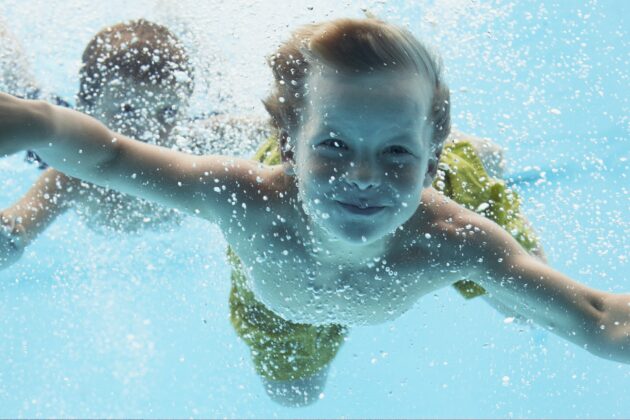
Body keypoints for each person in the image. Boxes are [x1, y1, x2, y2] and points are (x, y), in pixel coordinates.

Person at [0, 17, 628, 407]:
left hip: (442, 199)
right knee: (293, 397)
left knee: (528, 308)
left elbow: (597, 314)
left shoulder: (457, 238)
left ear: (429, 155)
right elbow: (106, 156)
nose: (363, 178)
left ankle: (464, 157)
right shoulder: (247, 199)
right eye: (332, 147)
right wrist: (31, 119)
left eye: (397, 152)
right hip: (280, 301)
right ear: (287, 147)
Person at [0, 19, 200, 270]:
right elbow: (21, 223)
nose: (150, 130)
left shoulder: (196, 145)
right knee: (25, 97)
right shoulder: (72, 176)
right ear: (86, 106)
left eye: (168, 112)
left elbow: (254, 126)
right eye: (127, 110)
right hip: (72, 139)